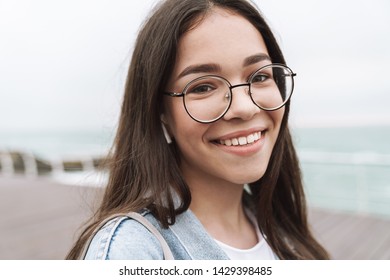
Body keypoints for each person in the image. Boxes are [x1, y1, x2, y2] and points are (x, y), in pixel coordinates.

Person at [67, 0, 329, 260]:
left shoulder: (282, 231)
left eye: (259, 77)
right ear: (159, 110)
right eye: (203, 87)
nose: (245, 108)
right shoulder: (132, 251)